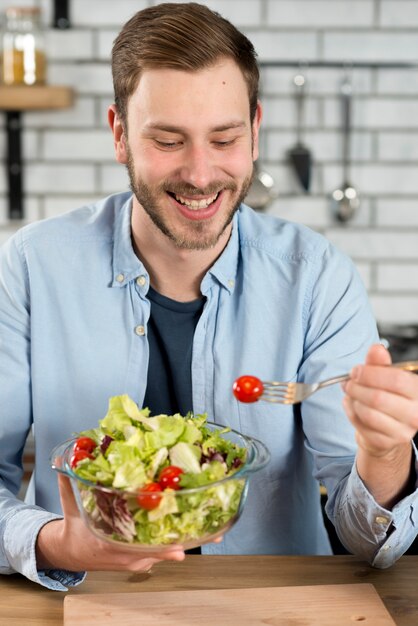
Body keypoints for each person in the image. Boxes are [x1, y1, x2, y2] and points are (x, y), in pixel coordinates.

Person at [0, 2, 417, 592]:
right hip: (90, 599)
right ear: (119, 134)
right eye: (168, 140)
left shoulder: (317, 277)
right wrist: (53, 541)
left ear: (255, 131)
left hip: (269, 603)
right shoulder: (31, 267)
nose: (200, 174)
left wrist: (385, 453)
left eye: (224, 139)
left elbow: (369, 543)